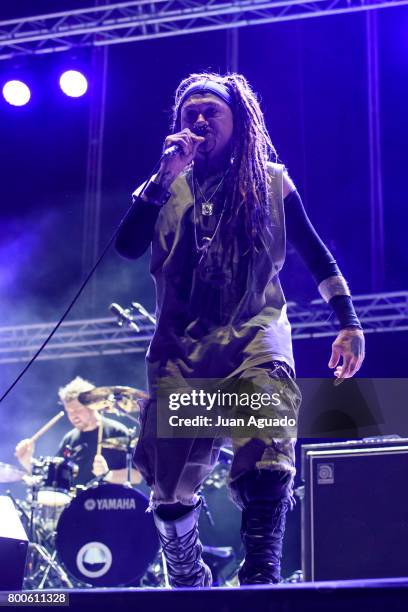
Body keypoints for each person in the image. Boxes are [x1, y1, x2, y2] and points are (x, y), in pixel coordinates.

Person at [115, 72, 365, 588]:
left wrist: (348, 323)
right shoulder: (163, 187)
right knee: (170, 482)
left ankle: (261, 575)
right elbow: (126, 247)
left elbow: (316, 255)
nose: (201, 121)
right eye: (191, 115)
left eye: (213, 113)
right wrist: (163, 178)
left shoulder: (272, 181)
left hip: (254, 333)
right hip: (182, 350)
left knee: (269, 436)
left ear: (239, 122)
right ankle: (184, 563)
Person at [15, 376, 141, 486]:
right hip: (79, 507)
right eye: (69, 411)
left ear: (92, 405)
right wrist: (28, 462)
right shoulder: (70, 438)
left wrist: (107, 475)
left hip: (112, 506)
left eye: (77, 410)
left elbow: (137, 476)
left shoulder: (117, 431)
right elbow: (55, 479)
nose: (73, 416)